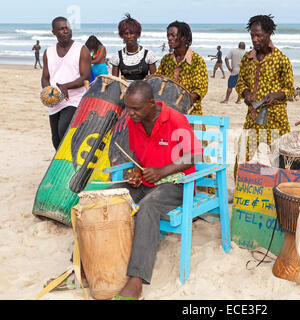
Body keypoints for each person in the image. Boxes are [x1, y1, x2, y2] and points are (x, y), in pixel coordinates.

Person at [107, 80, 202, 300]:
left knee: (148, 206)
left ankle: (136, 280)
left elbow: (194, 155)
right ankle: (91, 263)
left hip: (178, 184)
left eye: (136, 108)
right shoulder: (134, 122)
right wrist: (136, 172)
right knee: (109, 196)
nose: (130, 114)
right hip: (149, 182)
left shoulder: (175, 120)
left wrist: (161, 171)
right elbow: (138, 157)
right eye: (128, 107)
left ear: (151, 104)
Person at [235, 14, 294, 177]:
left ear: (269, 34)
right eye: (252, 35)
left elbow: (289, 88)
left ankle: (281, 193)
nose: (255, 39)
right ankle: (241, 189)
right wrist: (245, 93)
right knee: (243, 157)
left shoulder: (281, 59)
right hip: (253, 118)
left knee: (280, 160)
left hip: (276, 118)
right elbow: (240, 83)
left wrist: (275, 95)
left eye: (259, 35)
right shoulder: (248, 59)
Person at [41, 17, 91, 150]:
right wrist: (48, 92)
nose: (65, 31)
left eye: (67, 28)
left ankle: (70, 166)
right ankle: (62, 166)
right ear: (54, 32)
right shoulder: (48, 52)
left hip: (74, 99)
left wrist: (66, 86)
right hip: (55, 100)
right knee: (56, 139)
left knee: (63, 130)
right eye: (61, 29)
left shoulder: (81, 49)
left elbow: (85, 76)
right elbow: (45, 77)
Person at [155, 21, 208, 116]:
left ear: (183, 37)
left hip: (190, 112)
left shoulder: (197, 61)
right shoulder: (166, 60)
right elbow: (157, 81)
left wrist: (180, 102)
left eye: (173, 35)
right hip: (167, 111)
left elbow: (199, 90)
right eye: (168, 35)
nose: (169, 38)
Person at [111, 14, 157, 82]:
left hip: (144, 91)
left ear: (138, 34)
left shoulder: (148, 55)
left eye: (132, 33)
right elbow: (114, 82)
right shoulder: (117, 56)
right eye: (126, 34)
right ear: (121, 35)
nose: (129, 36)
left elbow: (154, 81)